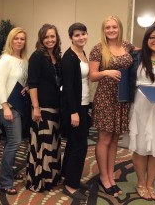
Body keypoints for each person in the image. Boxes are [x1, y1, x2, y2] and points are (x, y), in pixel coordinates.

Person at [89, 15, 135, 197]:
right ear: (104, 30)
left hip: (122, 99)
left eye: (114, 27)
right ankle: (104, 177)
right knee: (104, 139)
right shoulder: (98, 49)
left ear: (119, 28)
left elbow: (146, 50)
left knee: (115, 139)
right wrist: (105, 72)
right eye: (107, 27)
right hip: (106, 99)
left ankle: (110, 175)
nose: (111, 30)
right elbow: (92, 75)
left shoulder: (127, 46)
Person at [128, 25, 155, 201]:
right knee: (140, 146)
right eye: (152, 37)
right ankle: (140, 182)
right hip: (141, 106)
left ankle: (151, 184)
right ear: (146, 40)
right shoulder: (136, 57)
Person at [26, 24, 62, 192]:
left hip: (56, 108)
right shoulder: (37, 56)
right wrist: (36, 107)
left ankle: (52, 177)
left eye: (52, 36)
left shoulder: (56, 56)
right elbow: (32, 84)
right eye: (46, 37)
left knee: (53, 144)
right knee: (42, 145)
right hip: (42, 108)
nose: (50, 40)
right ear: (41, 39)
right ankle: (40, 180)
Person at [0, 27, 28, 195]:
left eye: (22, 39)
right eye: (16, 38)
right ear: (10, 40)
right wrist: (5, 106)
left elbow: (24, 81)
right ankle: (5, 181)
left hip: (20, 106)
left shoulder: (24, 60)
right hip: (8, 108)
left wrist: (27, 87)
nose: (19, 41)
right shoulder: (5, 59)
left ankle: (8, 173)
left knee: (11, 143)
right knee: (14, 142)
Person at [61, 23, 90, 200]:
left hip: (83, 104)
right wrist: (74, 111)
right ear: (71, 37)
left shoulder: (82, 53)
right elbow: (69, 87)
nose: (81, 37)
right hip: (74, 106)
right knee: (81, 145)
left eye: (83, 34)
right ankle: (71, 185)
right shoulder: (69, 57)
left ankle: (67, 175)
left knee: (73, 143)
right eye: (77, 35)